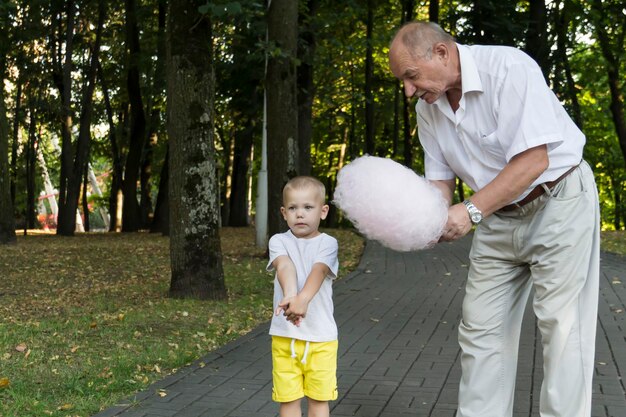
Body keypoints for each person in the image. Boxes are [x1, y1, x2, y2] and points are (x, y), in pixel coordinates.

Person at [388, 21, 600, 417]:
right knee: (480, 331)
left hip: (558, 200)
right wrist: (420, 223)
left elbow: (535, 160)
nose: (409, 90)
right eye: (403, 81)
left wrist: (469, 212)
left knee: (562, 329)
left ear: (441, 52)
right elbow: (440, 183)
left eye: (411, 77)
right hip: (497, 216)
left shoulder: (508, 67)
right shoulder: (428, 110)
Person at [267, 176, 339, 417]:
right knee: (288, 402)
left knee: (319, 401)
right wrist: (291, 297)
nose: (300, 214)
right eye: (293, 208)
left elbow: (318, 272)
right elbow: (284, 266)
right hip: (285, 337)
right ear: (284, 213)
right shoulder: (278, 241)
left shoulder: (328, 243)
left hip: (321, 339)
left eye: (308, 207)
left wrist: (302, 300)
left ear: (323, 211)